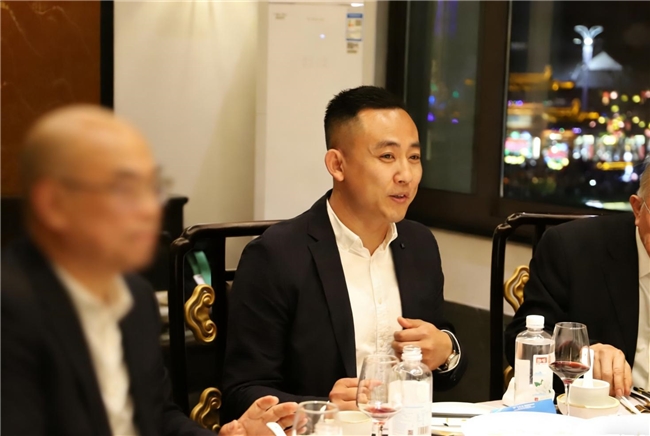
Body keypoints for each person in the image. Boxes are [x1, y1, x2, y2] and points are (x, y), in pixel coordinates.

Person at [1, 106, 297, 436]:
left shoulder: (134, 296)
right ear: (53, 204)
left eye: (153, 187)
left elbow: (158, 417)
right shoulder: (11, 311)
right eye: (125, 189)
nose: (149, 208)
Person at [222, 86, 467, 422]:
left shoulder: (419, 244)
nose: (406, 175)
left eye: (413, 157)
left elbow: (441, 362)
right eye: (387, 157)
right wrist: (323, 408)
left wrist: (447, 350)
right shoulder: (275, 255)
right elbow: (242, 392)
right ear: (337, 164)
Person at [505, 161, 650, 397]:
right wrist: (585, 354)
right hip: (604, 410)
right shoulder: (572, 248)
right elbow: (524, 338)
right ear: (638, 208)